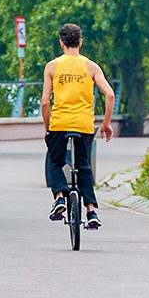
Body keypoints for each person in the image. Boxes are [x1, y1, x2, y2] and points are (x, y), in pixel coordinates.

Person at [41, 23, 114, 230]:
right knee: (84, 166)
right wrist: (106, 123)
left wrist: (48, 128)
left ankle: (60, 197)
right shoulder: (91, 67)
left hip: (60, 123)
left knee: (55, 162)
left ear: (61, 43)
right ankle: (91, 210)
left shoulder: (52, 66)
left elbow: (45, 102)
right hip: (84, 124)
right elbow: (110, 94)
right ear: (80, 42)